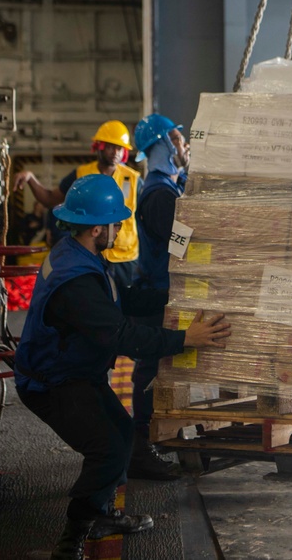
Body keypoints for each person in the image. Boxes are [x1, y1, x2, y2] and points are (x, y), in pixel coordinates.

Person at [14, 174, 231, 560]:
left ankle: (101, 512)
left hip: (74, 372)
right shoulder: (75, 283)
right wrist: (186, 340)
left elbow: (123, 300)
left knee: (122, 438)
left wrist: (175, 296)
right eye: (114, 223)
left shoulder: (78, 254)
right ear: (97, 228)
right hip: (52, 383)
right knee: (109, 449)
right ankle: (73, 536)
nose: (118, 229)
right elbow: (124, 336)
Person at [128, 113, 191, 479]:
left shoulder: (167, 187)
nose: (185, 146)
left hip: (162, 290)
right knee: (150, 371)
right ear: (164, 145)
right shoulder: (159, 196)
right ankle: (140, 447)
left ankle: (152, 437)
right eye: (179, 140)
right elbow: (183, 243)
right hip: (156, 294)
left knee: (161, 370)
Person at [12, 121, 141, 290]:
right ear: (99, 146)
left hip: (126, 258)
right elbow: (50, 199)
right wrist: (30, 178)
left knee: (127, 307)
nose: (115, 152)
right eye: (110, 146)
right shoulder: (81, 174)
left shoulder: (134, 179)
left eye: (120, 148)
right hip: (91, 254)